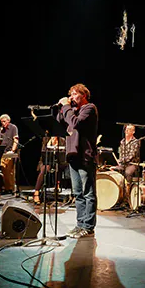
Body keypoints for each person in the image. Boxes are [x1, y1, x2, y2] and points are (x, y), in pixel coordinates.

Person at [57, 83, 98, 239]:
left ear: (84, 95)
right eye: (71, 94)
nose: (72, 97)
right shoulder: (72, 111)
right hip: (73, 155)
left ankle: (88, 226)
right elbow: (61, 121)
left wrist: (67, 107)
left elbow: (75, 123)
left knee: (88, 193)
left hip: (85, 156)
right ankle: (80, 224)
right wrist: (61, 108)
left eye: (75, 94)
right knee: (78, 193)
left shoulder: (89, 108)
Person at [33, 136, 67, 205]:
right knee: (44, 169)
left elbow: (63, 153)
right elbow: (43, 152)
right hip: (47, 161)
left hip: (59, 162)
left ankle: (57, 187)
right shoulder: (46, 139)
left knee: (58, 168)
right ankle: (36, 192)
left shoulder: (62, 140)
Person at [111, 124, 141, 196]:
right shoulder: (122, 142)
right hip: (123, 164)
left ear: (133, 132)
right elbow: (121, 153)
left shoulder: (135, 142)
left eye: (129, 129)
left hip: (132, 164)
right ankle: (117, 193)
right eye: (126, 129)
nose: (126, 131)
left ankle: (128, 194)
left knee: (127, 172)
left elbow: (131, 156)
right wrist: (118, 162)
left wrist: (120, 160)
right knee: (112, 169)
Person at [0, 114, 19, 195]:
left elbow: (15, 140)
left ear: (8, 121)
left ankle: (11, 188)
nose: (3, 123)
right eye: (1, 122)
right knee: (3, 170)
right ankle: (6, 188)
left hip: (10, 152)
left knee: (10, 171)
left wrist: (12, 150)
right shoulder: (0, 129)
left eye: (4, 121)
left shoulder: (13, 127)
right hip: (2, 152)